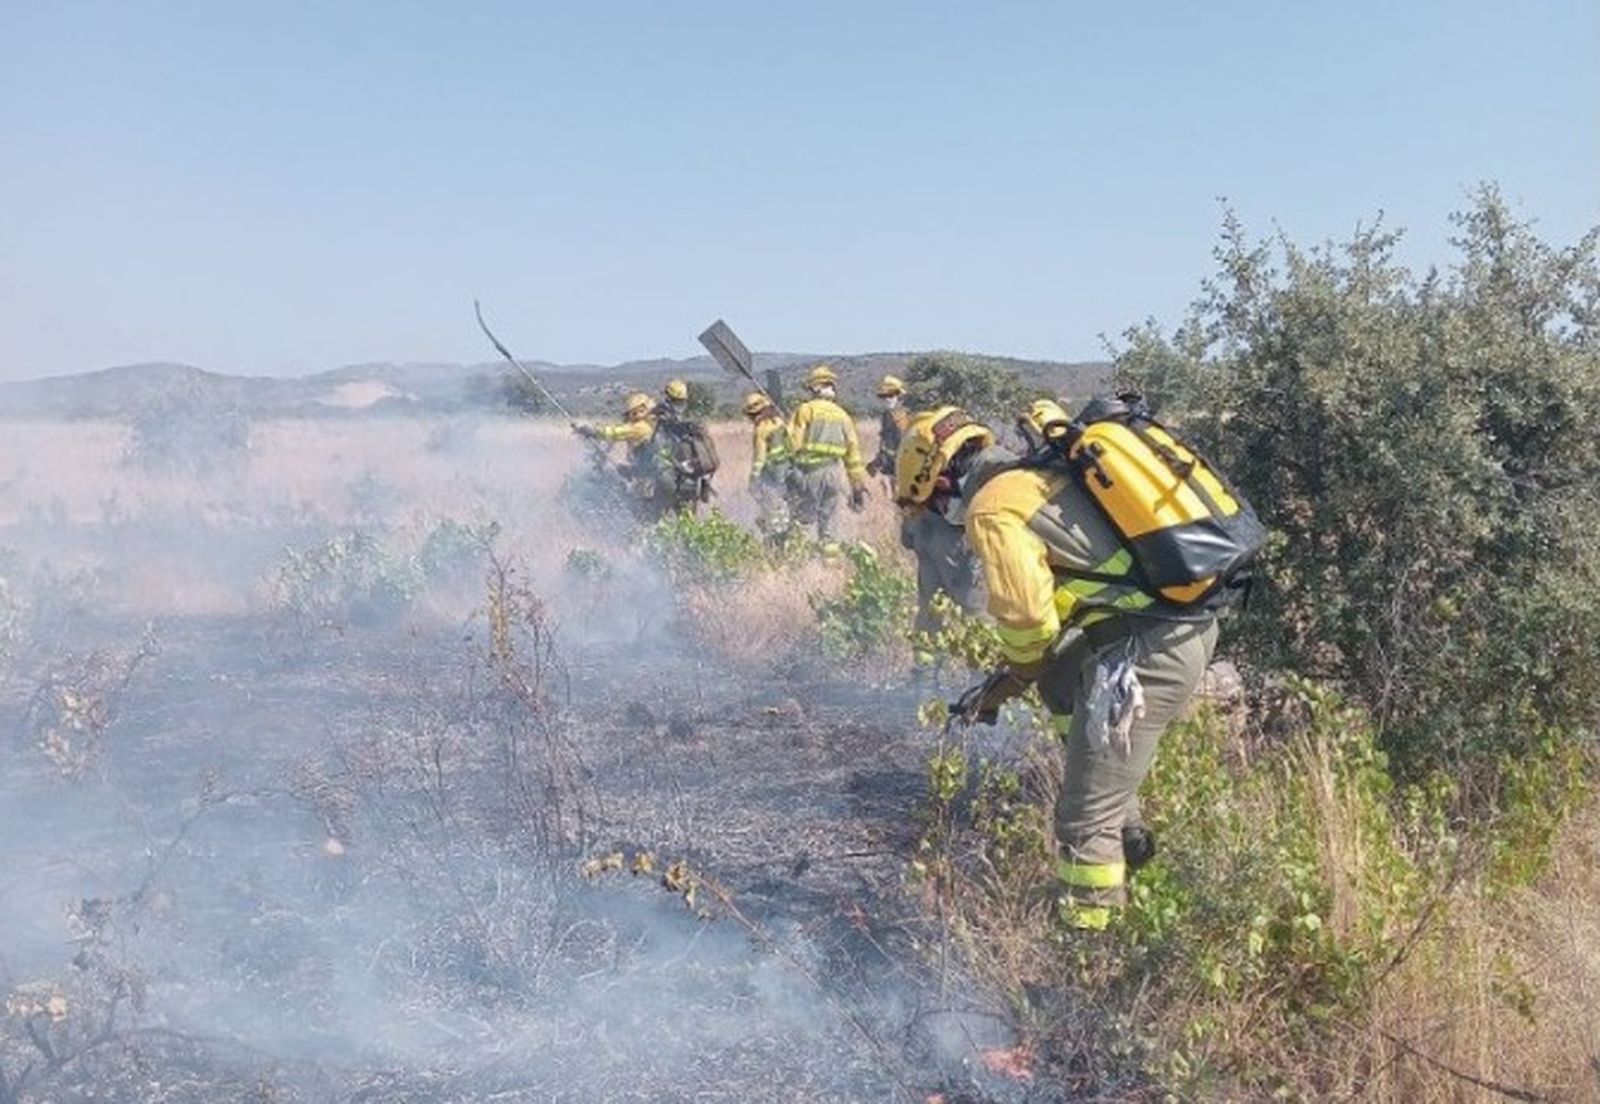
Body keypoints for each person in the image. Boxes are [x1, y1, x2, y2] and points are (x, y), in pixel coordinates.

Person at [898, 402, 1220, 932]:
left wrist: (1014, 674)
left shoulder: (994, 507)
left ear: (943, 479)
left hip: (1148, 651)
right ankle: (1130, 842)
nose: (937, 516)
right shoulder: (1038, 479)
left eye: (930, 502)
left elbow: (1027, 621)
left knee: (1082, 821)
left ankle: (1088, 957)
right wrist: (1010, 682)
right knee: (1061, 678)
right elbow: (1069, 606)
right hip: (1168, 629)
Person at [893, 406, 991, 665]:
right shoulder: (956, 452)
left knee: (930, 606)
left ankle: (924, 675)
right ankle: (983, 675)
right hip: (951, 535)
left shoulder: (919, 442)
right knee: (973, 603)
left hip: (922, 525)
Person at [787, 364, 868, 552]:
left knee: (802, 522)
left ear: (814, 387)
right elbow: (853, 455)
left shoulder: (806, 410)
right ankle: (829, 563)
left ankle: (798, 566)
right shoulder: (843, 416)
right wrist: (857, 486)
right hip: (833, 475)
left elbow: (792, 446)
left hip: (808, 474)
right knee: (829, 523)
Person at [743, 391, 793, 544]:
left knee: (772, 514)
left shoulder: (761, 429)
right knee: (786, 512)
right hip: (790, 473)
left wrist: (753, 479)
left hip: (772, 477)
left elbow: (759, 458)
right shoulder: (780, 421)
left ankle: (774, 546)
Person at [866, 375, 910, 492]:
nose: (887, 399)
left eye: (891, 395)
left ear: (898, 396)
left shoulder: (901, 415)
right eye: (885, 396)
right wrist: (878, 460)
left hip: (900, 463)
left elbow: (903, 441)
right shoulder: (886, 415)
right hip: (888, 462)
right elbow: (885, 442)